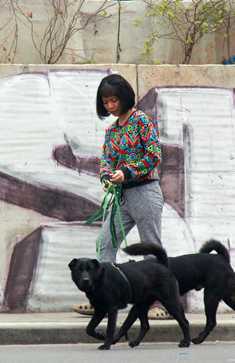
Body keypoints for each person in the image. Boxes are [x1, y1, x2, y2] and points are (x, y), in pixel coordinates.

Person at [73, 74, 170, 319]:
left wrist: (126, 172)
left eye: (113, 100)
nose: (110, 106)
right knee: (105, 242)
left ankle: (159, 302)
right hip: (122, 198)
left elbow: (154, 156)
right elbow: (106, 162)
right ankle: (103, 298)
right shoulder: (112, 131)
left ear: (124, 97)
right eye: (105, 102)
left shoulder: (141, 122)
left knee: (151, 247)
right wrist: (107, 178)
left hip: (145, 192)